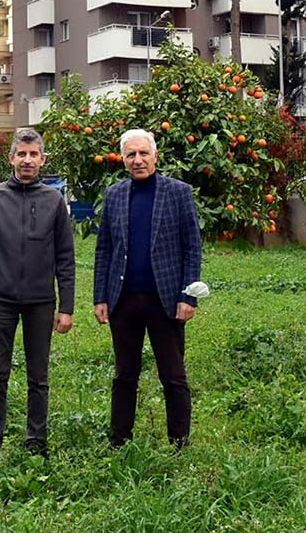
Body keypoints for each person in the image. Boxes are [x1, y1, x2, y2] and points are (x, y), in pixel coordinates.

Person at [0, 128, 75, 458]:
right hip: (1, 299)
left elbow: (65, 258)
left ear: (43, 160)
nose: (27, 160)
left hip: (41, 301)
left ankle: (36, 443)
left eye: (33, 154)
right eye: (21, 154)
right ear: (11, 157)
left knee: (38, 376)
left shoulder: (54, 201)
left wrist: (66, 306)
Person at [93, 128, 202, 448]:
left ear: (155, 156)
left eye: (143, 153)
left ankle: (179, 443)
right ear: (123, 160)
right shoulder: (114, 195)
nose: (137, 160)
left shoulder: (178, 192)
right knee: (124, 374)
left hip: (166, 299)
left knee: (173, 375)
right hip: (123, 300)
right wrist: (100, 296)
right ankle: (119, 441)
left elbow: (192, 248)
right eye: (131, 155)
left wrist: (188, 296)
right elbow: (104, 249)